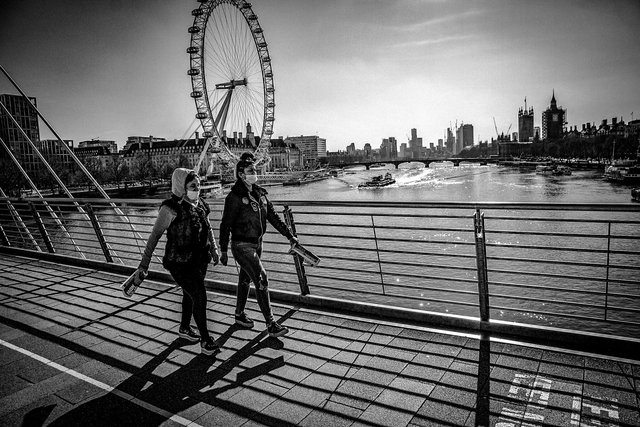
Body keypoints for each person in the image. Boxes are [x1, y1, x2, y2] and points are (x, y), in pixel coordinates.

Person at [136, 168, 221, 355]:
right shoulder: (170, 209)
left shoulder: (201, 205)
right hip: (179, 262)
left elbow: (208, 228)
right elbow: (154, 236)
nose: (197, 189)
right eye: (192, 186)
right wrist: (144, 263)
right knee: (199, 295)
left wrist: (214, 249)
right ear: (181, 187)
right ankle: (206, 340)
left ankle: (184, 328)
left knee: (189, 294)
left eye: (198, 186)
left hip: (199, 260)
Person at [219, 152, 297, 338]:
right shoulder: (234, 197)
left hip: (257, 244)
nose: (255, 172)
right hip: (241, 245)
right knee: (262, 278)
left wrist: (289, 235)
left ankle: (239, 315)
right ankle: (271, 324)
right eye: (250, 170)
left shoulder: (261, 194)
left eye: (255, 169)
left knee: (245, 280)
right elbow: (225, 224)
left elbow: (273, 217)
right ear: (240, 174)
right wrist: (223, 250)